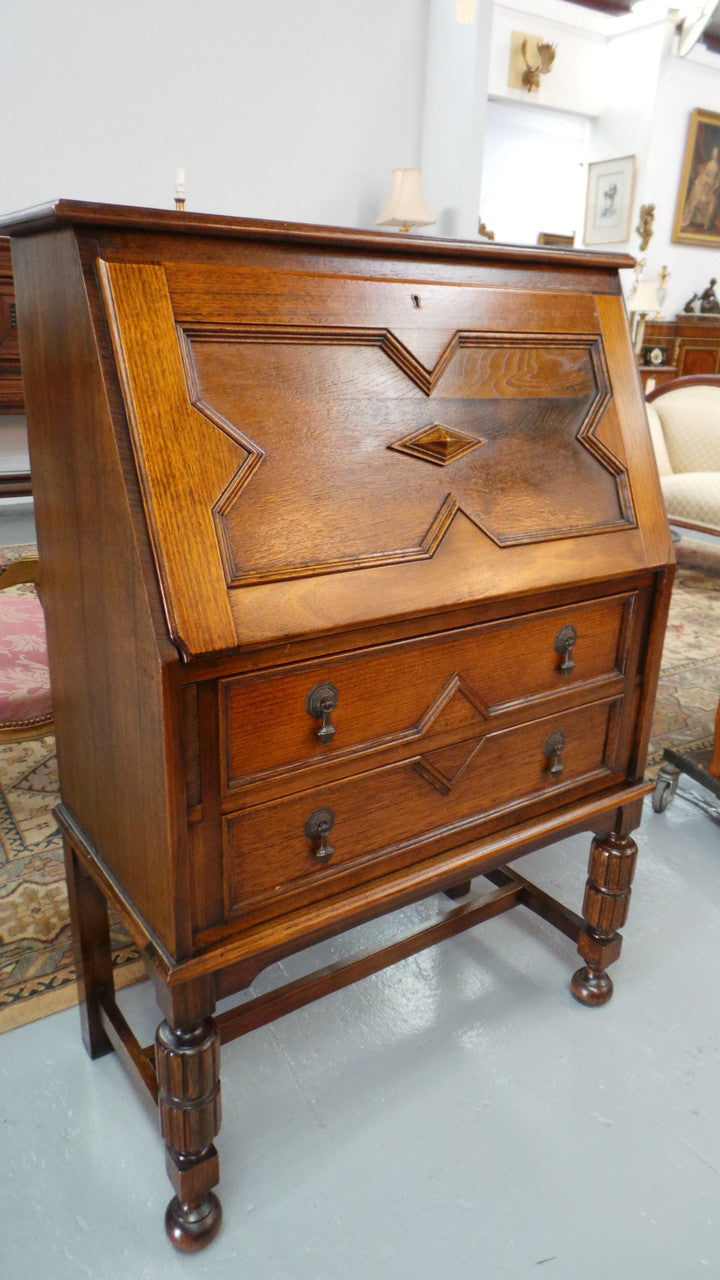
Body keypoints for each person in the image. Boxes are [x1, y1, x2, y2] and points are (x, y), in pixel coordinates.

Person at [681, 146, 720, 231]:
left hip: (710, 186)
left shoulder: (717, 166)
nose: (715, 155)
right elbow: (705, 174)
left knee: (710, 198)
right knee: (697, 192)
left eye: (716, 154)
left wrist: (712, 185)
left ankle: (704, 222)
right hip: (704, 183)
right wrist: (701, 181)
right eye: (714, 153)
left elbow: (716, 179)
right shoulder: (710, 163)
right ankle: (693, 219)